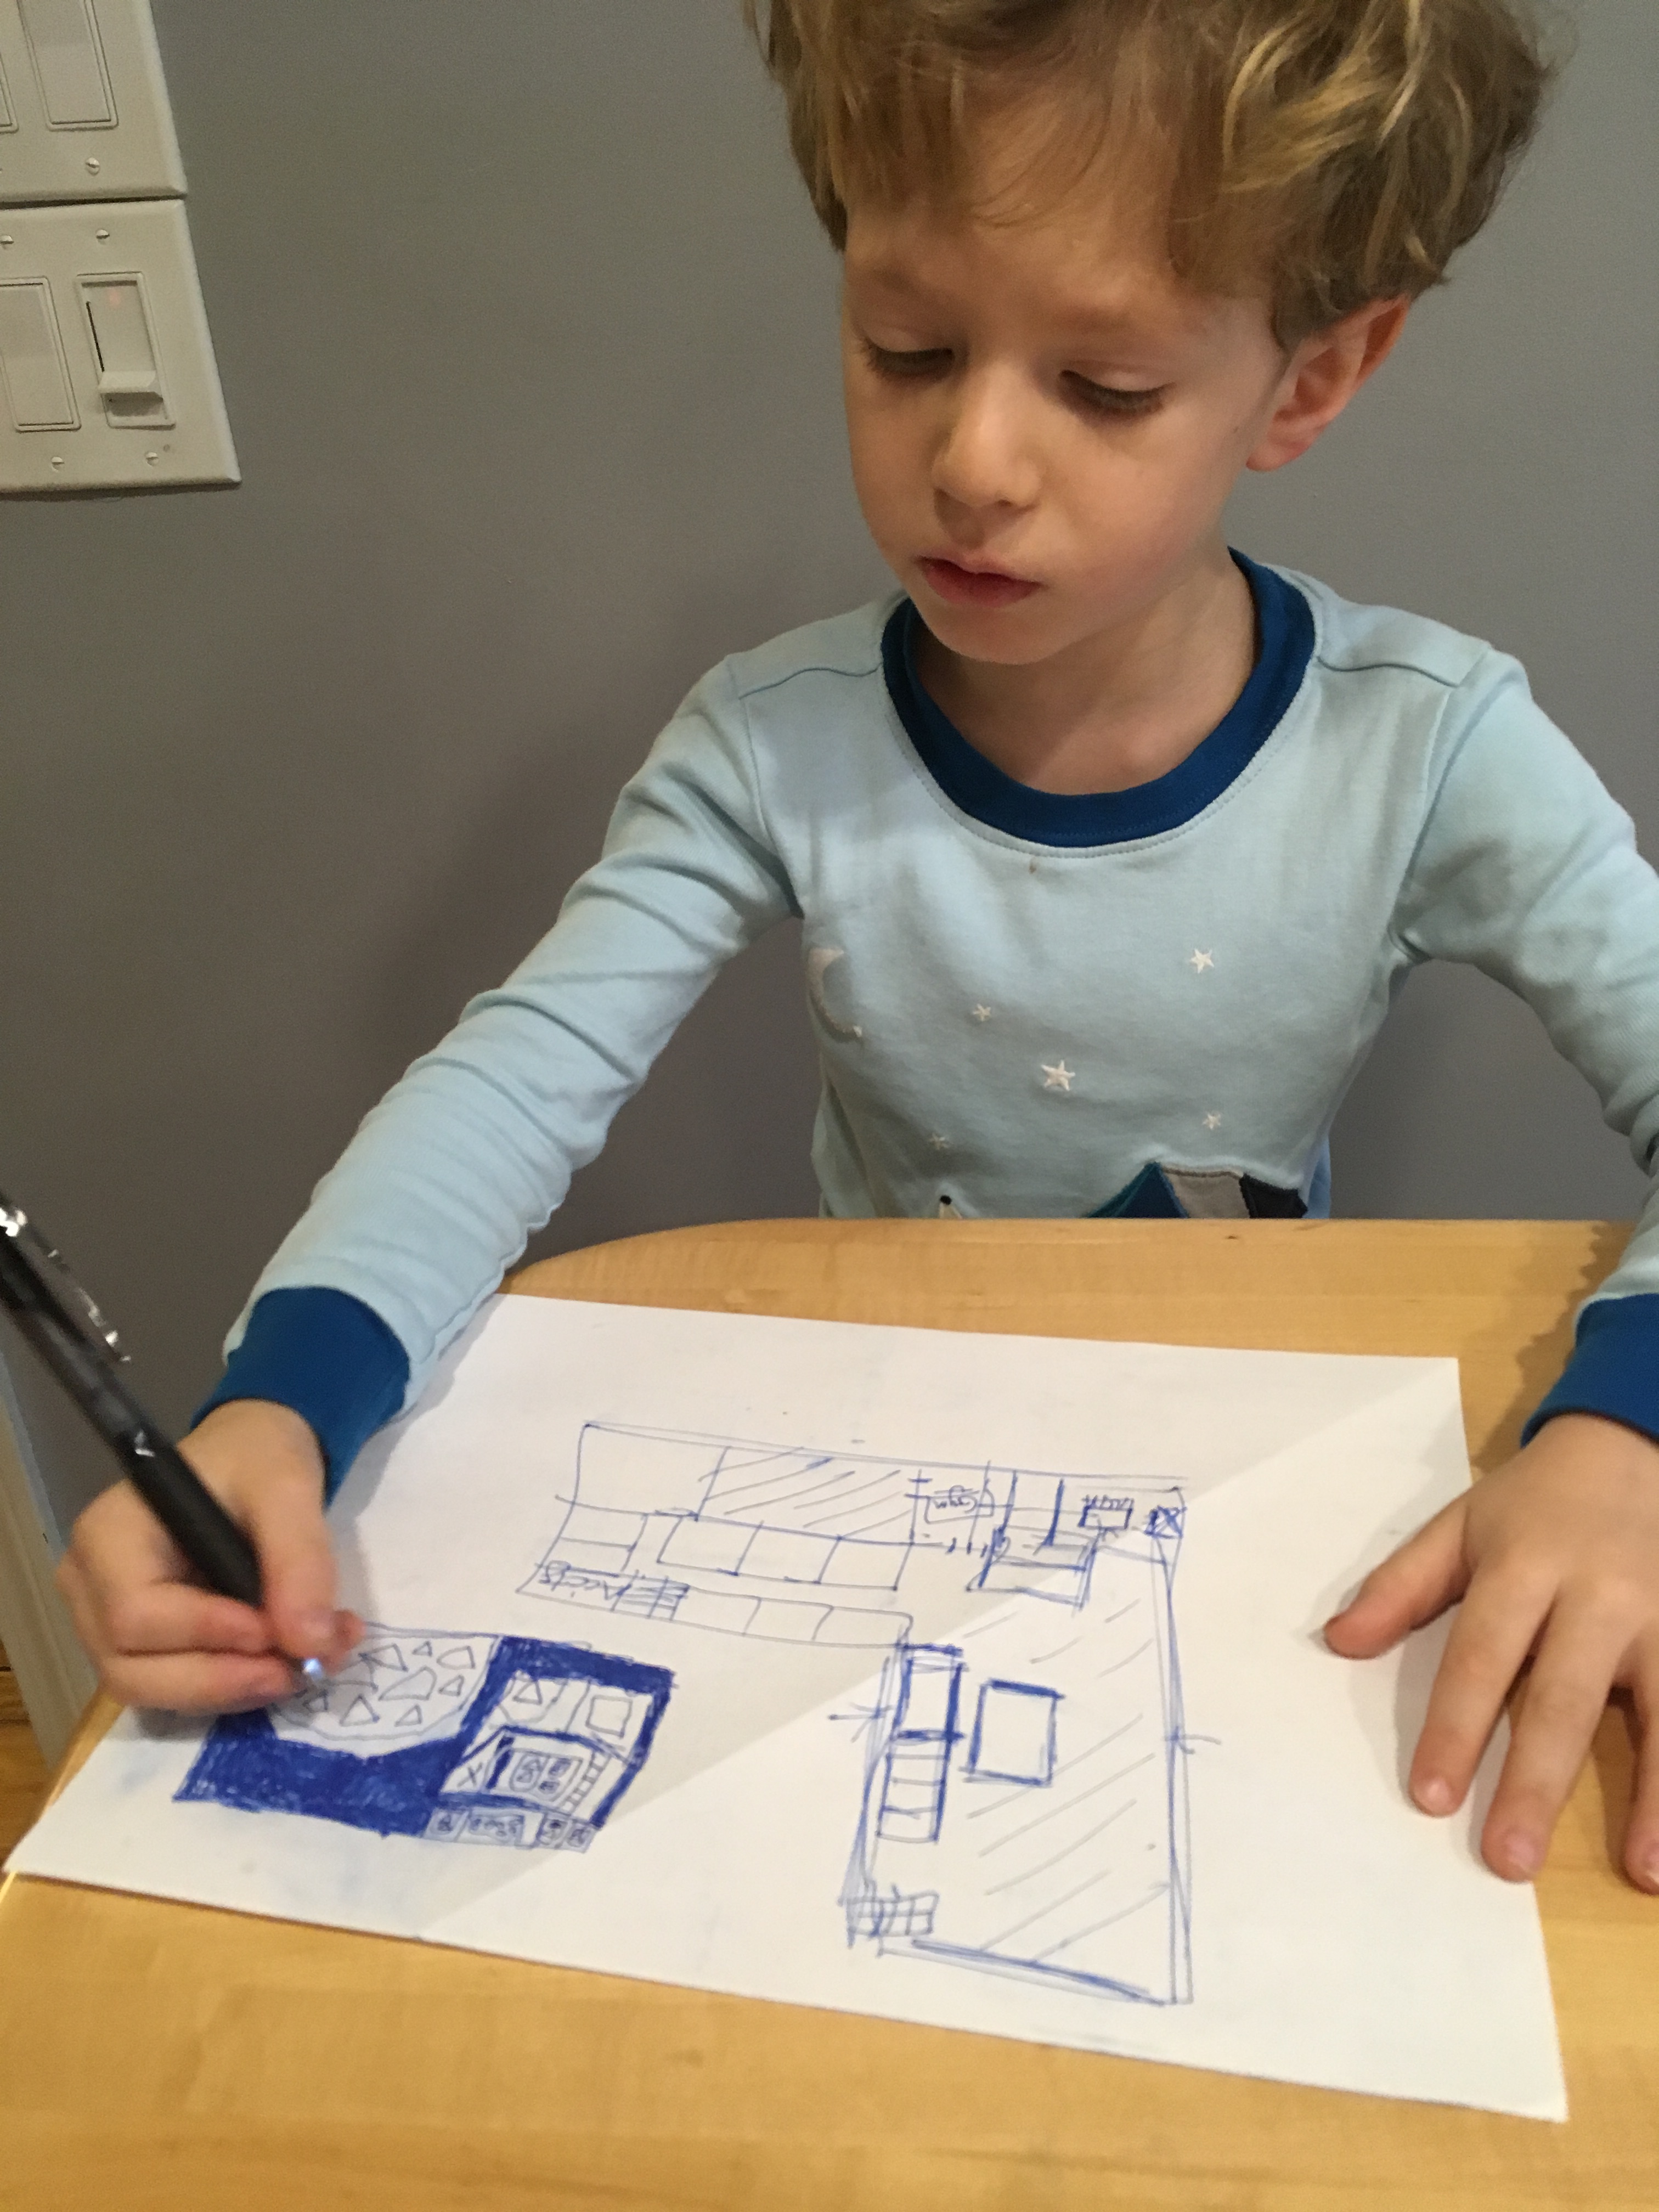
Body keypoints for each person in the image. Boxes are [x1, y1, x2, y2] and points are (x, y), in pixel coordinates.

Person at [58, 0, 1659, 1893]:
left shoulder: (1431, 748)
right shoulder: (770, 745)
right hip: (882, 1473)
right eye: (907, 348)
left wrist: (1625, 1432)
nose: (972, 460)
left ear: (1310, 379)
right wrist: (282, 1400)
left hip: (1253, 1477)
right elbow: (513, 1081)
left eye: (1106, 387)